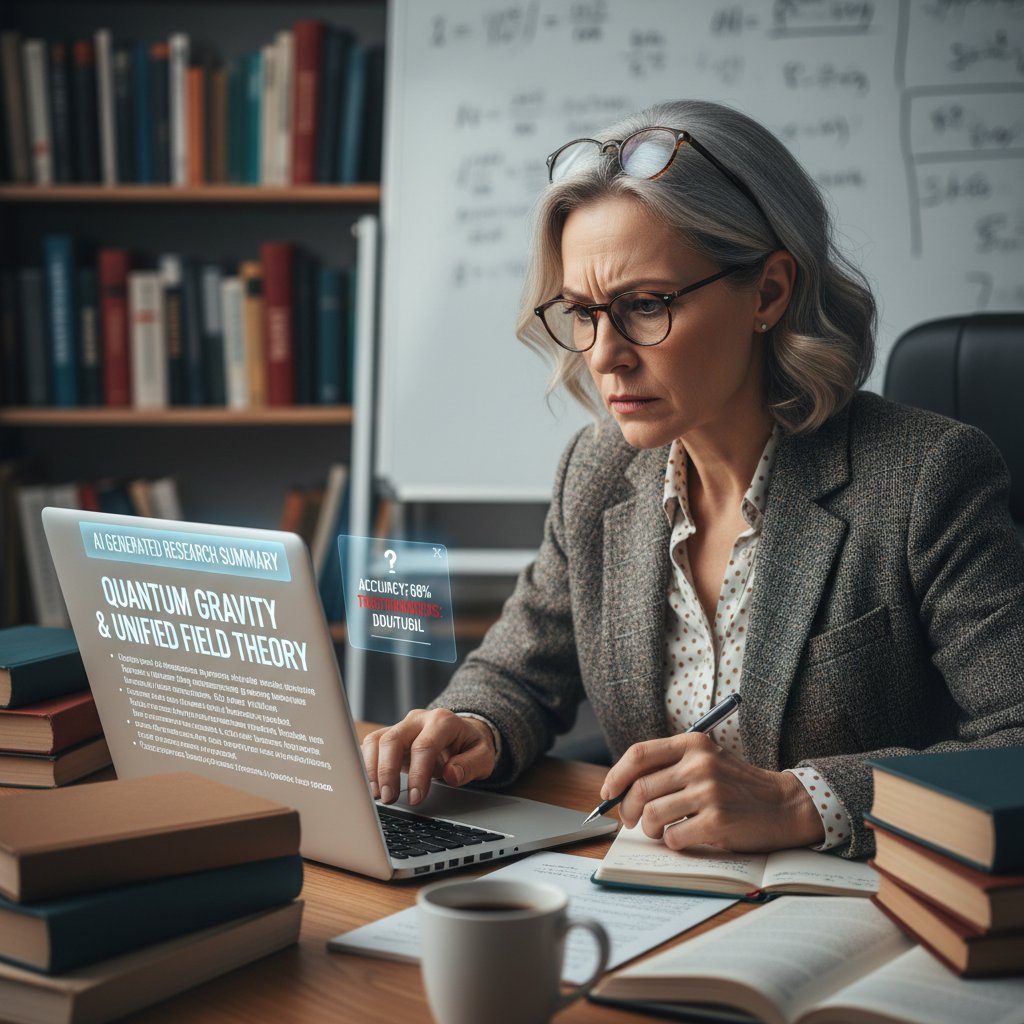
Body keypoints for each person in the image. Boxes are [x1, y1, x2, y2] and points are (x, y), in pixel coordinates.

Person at [362, 99, 1024, 860]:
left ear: (769, 293)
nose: (603, 355)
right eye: (583, 312)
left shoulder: (923, 479)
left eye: (645, 305)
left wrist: (803, 800)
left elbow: (1017, 744)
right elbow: (518, 671)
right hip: (652, 901)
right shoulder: (598, 471)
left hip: (864, 916)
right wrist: (469, 725)